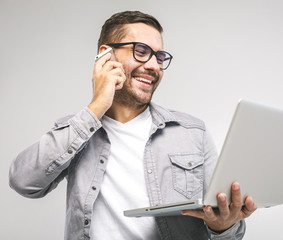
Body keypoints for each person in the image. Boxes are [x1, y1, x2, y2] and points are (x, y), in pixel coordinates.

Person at [9, 11, 257, 240]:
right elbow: (24, 181)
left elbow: (227, 228)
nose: (153, 65)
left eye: (159, 56)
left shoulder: (192, 132)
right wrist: (96, 107)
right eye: (141, 51)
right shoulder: (76, 131)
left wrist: (223, 225)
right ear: (106, 55)